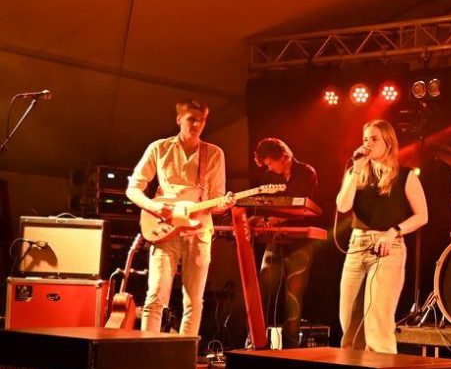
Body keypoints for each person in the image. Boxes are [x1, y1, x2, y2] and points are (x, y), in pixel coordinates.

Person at [126, 98, 234, 335]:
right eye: (191, 119)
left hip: (199, 231)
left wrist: (224, 205)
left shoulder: (214, 154)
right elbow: (133, 188)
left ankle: (185, 354)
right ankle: (146, 350)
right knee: (155, 296)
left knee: (194, 301)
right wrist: (154, 208)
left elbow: (216, 202)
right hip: (164, 229)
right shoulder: (159, 148)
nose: (197, 125)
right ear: (178, 119)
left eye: (202, 120)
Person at [335, 120, 428, 353]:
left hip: (387, 248)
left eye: (374, 139)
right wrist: (357, 168)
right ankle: (352, 368)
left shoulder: (405, 175)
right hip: (357, 246)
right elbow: (343, 205)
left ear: (389, 143)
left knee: (377, 319)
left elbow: (422, 216)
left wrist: (394, 231)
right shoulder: (356, 173)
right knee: (348, 320)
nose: (368, 144)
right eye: (365, 139)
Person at [252, 138, 318, 349]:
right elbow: (264, 204)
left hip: (300, 243)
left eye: (271, 163)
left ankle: (291, 351)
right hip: (275, 240)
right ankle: (255, 344)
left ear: (285, 157)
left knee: (293, 299)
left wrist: (274, 219)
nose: (269, 168)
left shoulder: (306, 173)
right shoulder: (270, 176)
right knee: (263, 292)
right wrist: (257, 218)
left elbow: (303, 207)